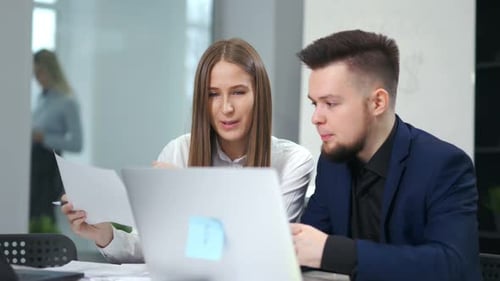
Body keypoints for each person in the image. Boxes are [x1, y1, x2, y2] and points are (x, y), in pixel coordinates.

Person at [62, 38, 314, 263]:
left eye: (238, 92)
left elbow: (269, 250)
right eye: (213, 94)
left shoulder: (293, 161)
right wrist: (105, 235)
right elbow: (152, 245)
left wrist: (191, 195)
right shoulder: (178, 151)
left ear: (259, 96)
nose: (226, 108)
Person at [291, 30, 481, 281]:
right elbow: (307, 245)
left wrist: (334, 251)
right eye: (315, 104)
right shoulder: (332, 162)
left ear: (377, 102)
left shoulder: (445, 165)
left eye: (331, 103)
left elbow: (452, 266)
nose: (316, 117)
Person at [30, 49, 83, 233]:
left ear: (51, 70)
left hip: (49, 167)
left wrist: (44, 137)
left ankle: (45, 258)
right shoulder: (40, 99)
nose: (36, 78)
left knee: (44, 214)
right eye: (34, 73)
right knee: (31, 213)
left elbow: (77, 143)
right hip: (32, 164)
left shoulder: (67, 101)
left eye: (39, 72)